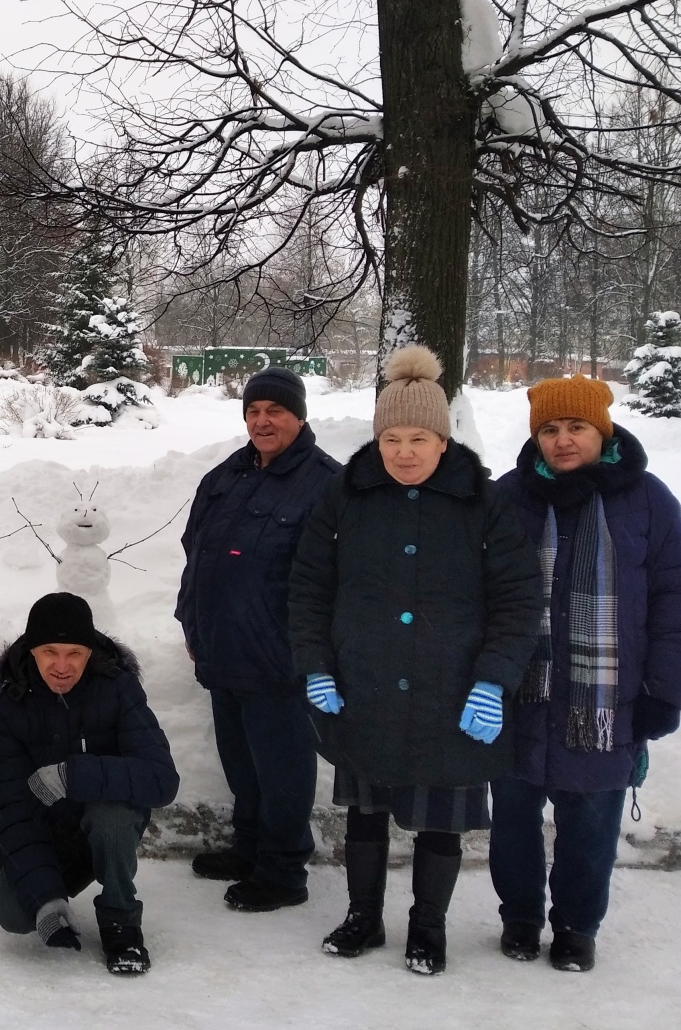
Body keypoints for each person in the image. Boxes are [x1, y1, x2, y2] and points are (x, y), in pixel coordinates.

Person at [289, 345, 541, 976]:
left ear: (442, 439)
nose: (404, 452)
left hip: (449, 690)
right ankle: (363, 918)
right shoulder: (344, 497)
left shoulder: (485, 503)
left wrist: (494, 680)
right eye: (392, 438)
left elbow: (517, 600)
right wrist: (316, 663)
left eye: (419, 438)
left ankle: (428, 928)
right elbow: (309, 587)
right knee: (366, 814)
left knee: (440, 821)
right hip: (363, 684)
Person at [490, 375, 681, 972]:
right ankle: (519, 913)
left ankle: (577, 925)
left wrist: (665, 691)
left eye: (576, 428)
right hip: (519, 694)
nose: (563, 441)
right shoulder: (506, 498)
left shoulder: (649, 500)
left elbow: (674, 599)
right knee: (514, 817)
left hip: (608, 702)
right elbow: (475, 594)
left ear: (602, 431)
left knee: (591, 820)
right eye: (550, 429)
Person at [177, 366, 340, 911]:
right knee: (241, 761)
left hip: (279, 658)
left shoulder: (325, 482)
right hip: (222, 647)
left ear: (299, 416)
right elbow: (194, 550)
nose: (262, 421)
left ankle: (284, 870)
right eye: (253, 412)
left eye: (275, 411)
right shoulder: (229, 474)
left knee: (282, 768)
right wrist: (191, 621)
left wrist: (313, 650)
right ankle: (249, 848)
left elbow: (336, 578)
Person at [0, 592, 179, 976]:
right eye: (49, 652)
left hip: (107, 821)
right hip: (51, 831)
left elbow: (161, 779)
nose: (61, 666)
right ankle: (54, 890)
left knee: (110, 816)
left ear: (90, 652)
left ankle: (120, 920)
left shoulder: (117, 688)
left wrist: (71, 776)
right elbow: (13, 809)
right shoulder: (10, 707)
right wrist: (48, 899)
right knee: (14, 914)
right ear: (31, 650)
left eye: (74, 653)